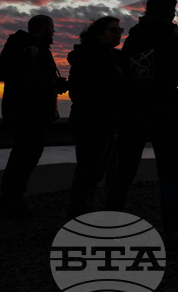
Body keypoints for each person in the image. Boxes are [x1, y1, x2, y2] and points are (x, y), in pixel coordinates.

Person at [106, 0, 178, 253]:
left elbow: (125, 76)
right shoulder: (175, 42)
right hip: (164, 112)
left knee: (123, 174)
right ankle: (171, 236)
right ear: (169, 15)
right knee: (168, 175)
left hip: (132, 112)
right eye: (173, 11)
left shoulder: (132, 40)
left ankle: (108, 233)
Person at [0, 15, 69, 218]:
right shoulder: (20, 44)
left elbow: (46, 79)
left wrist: (62, 84)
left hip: (34, 114)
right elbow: (4, 73)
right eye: (52, 28)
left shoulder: (41, 48)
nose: (54, 32)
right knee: (24, 156)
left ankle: (12, 200)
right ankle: (10, 201)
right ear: (44, 28)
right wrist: (26, 56)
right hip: (24, 113)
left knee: (27, 155)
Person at [67, 17, 124, 218]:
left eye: (120, 29)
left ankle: (81, 211)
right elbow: (77, 91)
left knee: (94, 171)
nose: (118, 33)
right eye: (113, 30)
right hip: (92, 121)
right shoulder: (90, 56)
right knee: (88, 171)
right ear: (99, 33)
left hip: (105, 121)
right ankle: (78, 214)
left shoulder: (110, 56)